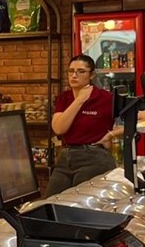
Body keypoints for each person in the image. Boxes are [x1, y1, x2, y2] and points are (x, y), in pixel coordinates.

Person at [47, 54, 119, 196]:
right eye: (71, 71)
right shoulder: (65, 98)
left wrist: (111, 134)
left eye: (80, 71)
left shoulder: (105, 98)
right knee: (49, 203)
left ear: (91, 75)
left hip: (93, 156)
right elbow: (59, 128)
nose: (74, 75)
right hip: (66, 156)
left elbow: (144, 118)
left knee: (81, 205)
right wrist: (79, 100)